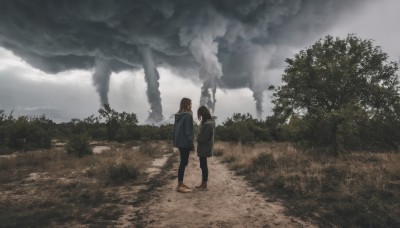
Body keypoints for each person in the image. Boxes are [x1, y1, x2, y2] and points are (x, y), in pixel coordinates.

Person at [173, 98, 194, 193]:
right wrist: (191, 142)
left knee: (183, 162)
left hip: (180, 142)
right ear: (187, 105)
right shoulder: (188, 116)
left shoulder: (178, 116)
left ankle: (180, 183)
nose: (191, 106)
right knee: (183, 163)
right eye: (190, 104)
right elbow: (188, 131)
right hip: (185, 142)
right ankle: (179, 185)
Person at [195, 106, 216, 191]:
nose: (199, 116)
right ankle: (203, 184)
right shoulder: (207, 123)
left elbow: (204, 138)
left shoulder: (208, 124)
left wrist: (198, 138)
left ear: (203, 114)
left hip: (204, 148)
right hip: (204, 148)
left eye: (200, 114)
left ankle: (204, 185)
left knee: (204, 166)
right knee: (203, 165)